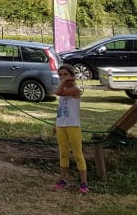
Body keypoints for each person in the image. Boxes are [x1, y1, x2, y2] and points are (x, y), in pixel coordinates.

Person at [54, 64, 88, 193]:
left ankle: (84, 183)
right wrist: (55, 123)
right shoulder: (64, 89)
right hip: (61, 125)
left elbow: (58, 92)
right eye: (60, 75)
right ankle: (63, 179)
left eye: (65, 74)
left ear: (72, 76)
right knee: (63, 153)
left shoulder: (75, 90)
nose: (62, 77)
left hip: (73, 126)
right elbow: (61, 108)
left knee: (78, 154)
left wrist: (63, 82)